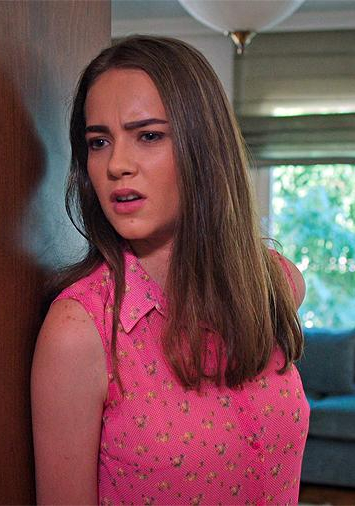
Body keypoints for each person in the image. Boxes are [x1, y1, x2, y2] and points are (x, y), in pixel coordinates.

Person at [31, 36, 308, 505]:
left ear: (205, 149)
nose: (117, 165)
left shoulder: (275, 283)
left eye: (148, 136)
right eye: (99, 142)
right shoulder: (80, 331)